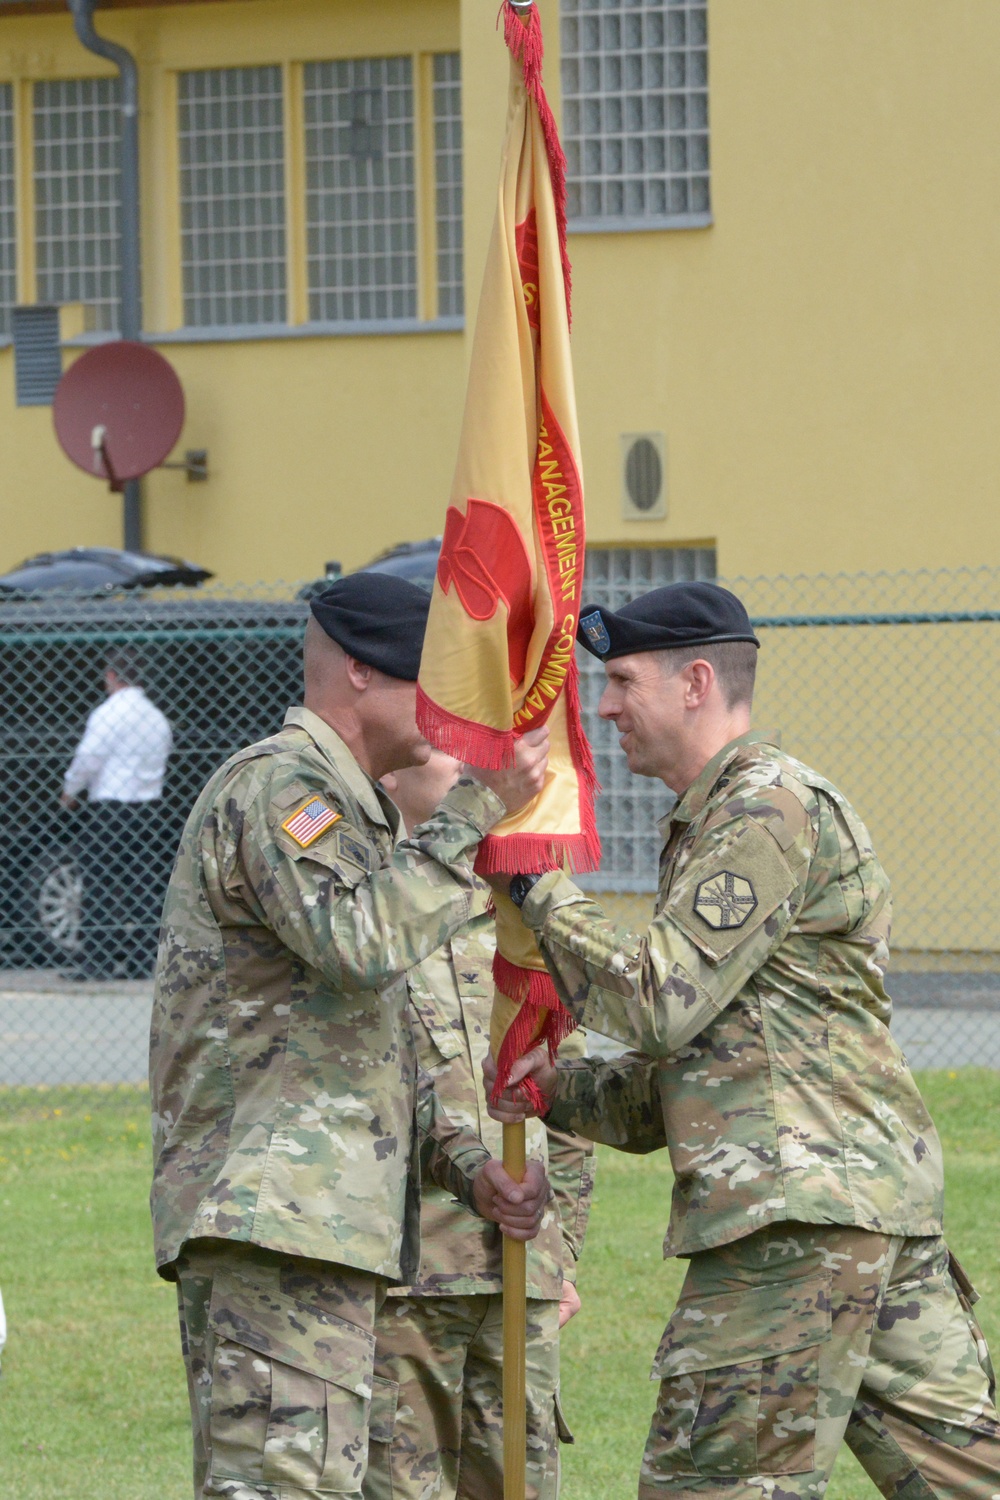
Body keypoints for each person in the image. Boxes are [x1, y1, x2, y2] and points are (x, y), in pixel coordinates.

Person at [486, 580, 1000, 1500]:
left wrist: (536, 885)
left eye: (623, 683)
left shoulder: (765, 810)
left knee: (711, 1487)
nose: (603, 708)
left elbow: (656, 1003)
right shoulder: (721, 818)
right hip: (854, 1211)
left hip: (792, 1230)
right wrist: (552, 1086)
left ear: (694, 683)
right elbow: (709, 1077)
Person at [150, 573, 552, 1500]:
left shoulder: (354, 805)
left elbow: (370, 1040)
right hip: (275, 1225)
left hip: (322, 1228)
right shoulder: (282, 788)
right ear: (364, 676)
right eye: (435, 686)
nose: (452, 717)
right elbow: (358, 944)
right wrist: (476, 808)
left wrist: (464, 1166)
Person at [365, 749, 595, 1500]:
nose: (468, 763)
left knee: (517, 1485)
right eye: (442, 746)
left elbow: (566, 1102)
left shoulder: (529, 905)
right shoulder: (374, 914)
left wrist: (567, 1259)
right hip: (406, 1278)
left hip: (518, 1271)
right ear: (390, 774)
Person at [61, 647, 173, 977]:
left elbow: (88, 757)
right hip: (148, 808)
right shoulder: (156, 717)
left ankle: (98, 961)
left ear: (111, 676)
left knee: (99, 882)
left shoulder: (107, 714)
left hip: (111, 807)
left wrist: (71, 789)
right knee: (144, 883)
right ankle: (141, 959)